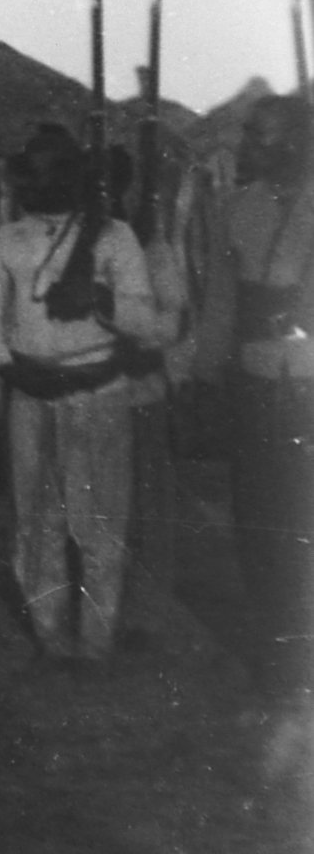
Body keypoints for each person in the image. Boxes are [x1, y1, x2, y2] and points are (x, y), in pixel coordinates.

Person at [0, 124, 158, 666]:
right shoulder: (6, 240)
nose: (34, 183)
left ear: (74, 176)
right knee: (36, 521)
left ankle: (96, 642)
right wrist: (7, 368)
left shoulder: (115, 236)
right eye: (29, 173)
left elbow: (146, 320)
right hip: (30, 393)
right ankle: (49, 636)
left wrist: (100, 299)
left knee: (100, 525)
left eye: (48, 172)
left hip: (98, 395)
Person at [191, 95, 314, 698]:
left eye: (260, 137)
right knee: (260, 522)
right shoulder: (235, 208)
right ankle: (276, 651)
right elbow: (220, 300)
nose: (245, 147)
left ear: (295, 141)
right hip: (255, 384)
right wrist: (206, 374)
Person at [107, 144, 190, 645]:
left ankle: (145, 613)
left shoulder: (149, 247)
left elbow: (173, 321)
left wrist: (135, 341)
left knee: (146, 508)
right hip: (90, 395)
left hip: (138, 394)